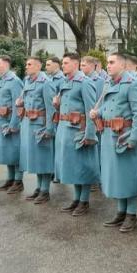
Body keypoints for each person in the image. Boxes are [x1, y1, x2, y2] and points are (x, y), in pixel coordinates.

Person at [91, 53, 137, 232]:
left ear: (123, 65)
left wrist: (134, 138)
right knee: (116, 176)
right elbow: (108, 107)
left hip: (124, 135)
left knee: (128, 176)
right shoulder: (109, 82)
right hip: (109, 135)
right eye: (107, 62)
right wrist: (98, 113)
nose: (108, 66)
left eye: (111, 62)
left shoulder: (133, 83)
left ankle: (131, 214)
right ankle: (120, 211)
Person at [53, 52, 100, 216]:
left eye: (66, 63)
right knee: (72, 166)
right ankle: (77, 198)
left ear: (75, 64)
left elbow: (90, 110)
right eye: (63, 63)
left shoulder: (85, 83)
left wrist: (89, 135)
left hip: (79, 130)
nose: (63, 65)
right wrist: (57, 105)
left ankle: (84, 201)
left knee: (83, 167)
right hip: (65, 129)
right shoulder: (65, 82)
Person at [17, 57, 56, 204]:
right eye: (26, 64)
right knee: (36, 160)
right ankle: (39, 188)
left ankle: (45, 190)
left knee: (44, 160)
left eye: (29, 64)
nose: (26, 66)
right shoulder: (28, 81)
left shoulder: (45, 83)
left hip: (41, 125)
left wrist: (49, 129)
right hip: (29, 124)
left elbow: (50, 109)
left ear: (39, 66)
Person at [0, 55, 24, 193]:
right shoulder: (1, 81)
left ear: (6, 64)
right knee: (6, 152)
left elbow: (18, 105)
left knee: (14, 152)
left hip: (9, 121)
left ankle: (18, 181)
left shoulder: (14, 81)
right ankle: (10, 179)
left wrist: (14, 124)